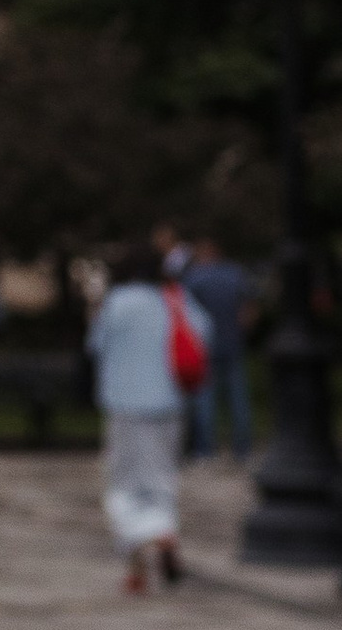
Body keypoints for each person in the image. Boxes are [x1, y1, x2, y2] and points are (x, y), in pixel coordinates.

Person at [89, 241, 185, 592]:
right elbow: (202, 334)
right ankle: (165, 532)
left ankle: (140, 561)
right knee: (161, 477)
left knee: (125, 483)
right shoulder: (174, 299)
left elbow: (96, 345)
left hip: (126, 404)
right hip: (168, 404)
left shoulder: (118, 302)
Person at [176, 234, 254, 462]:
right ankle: (242, 449)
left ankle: (206, 450)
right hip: (233, 343)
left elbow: (184, 311)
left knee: (205, 400)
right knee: (238, 397)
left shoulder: (194, 278)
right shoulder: (235, 274)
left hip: (205, 346)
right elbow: (249, 310)